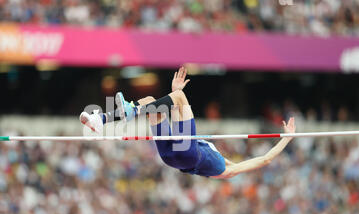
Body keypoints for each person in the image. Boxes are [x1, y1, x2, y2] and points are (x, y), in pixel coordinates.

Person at [80, 67, 296, 179]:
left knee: (180, 98)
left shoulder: (227, 169)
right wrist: (174, 94)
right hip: (172, 157)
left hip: (185, 152)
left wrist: (286, 139)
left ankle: (130, 111)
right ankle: (103, 119)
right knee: (150, 102)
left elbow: (265, 159)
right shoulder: (218, 165)